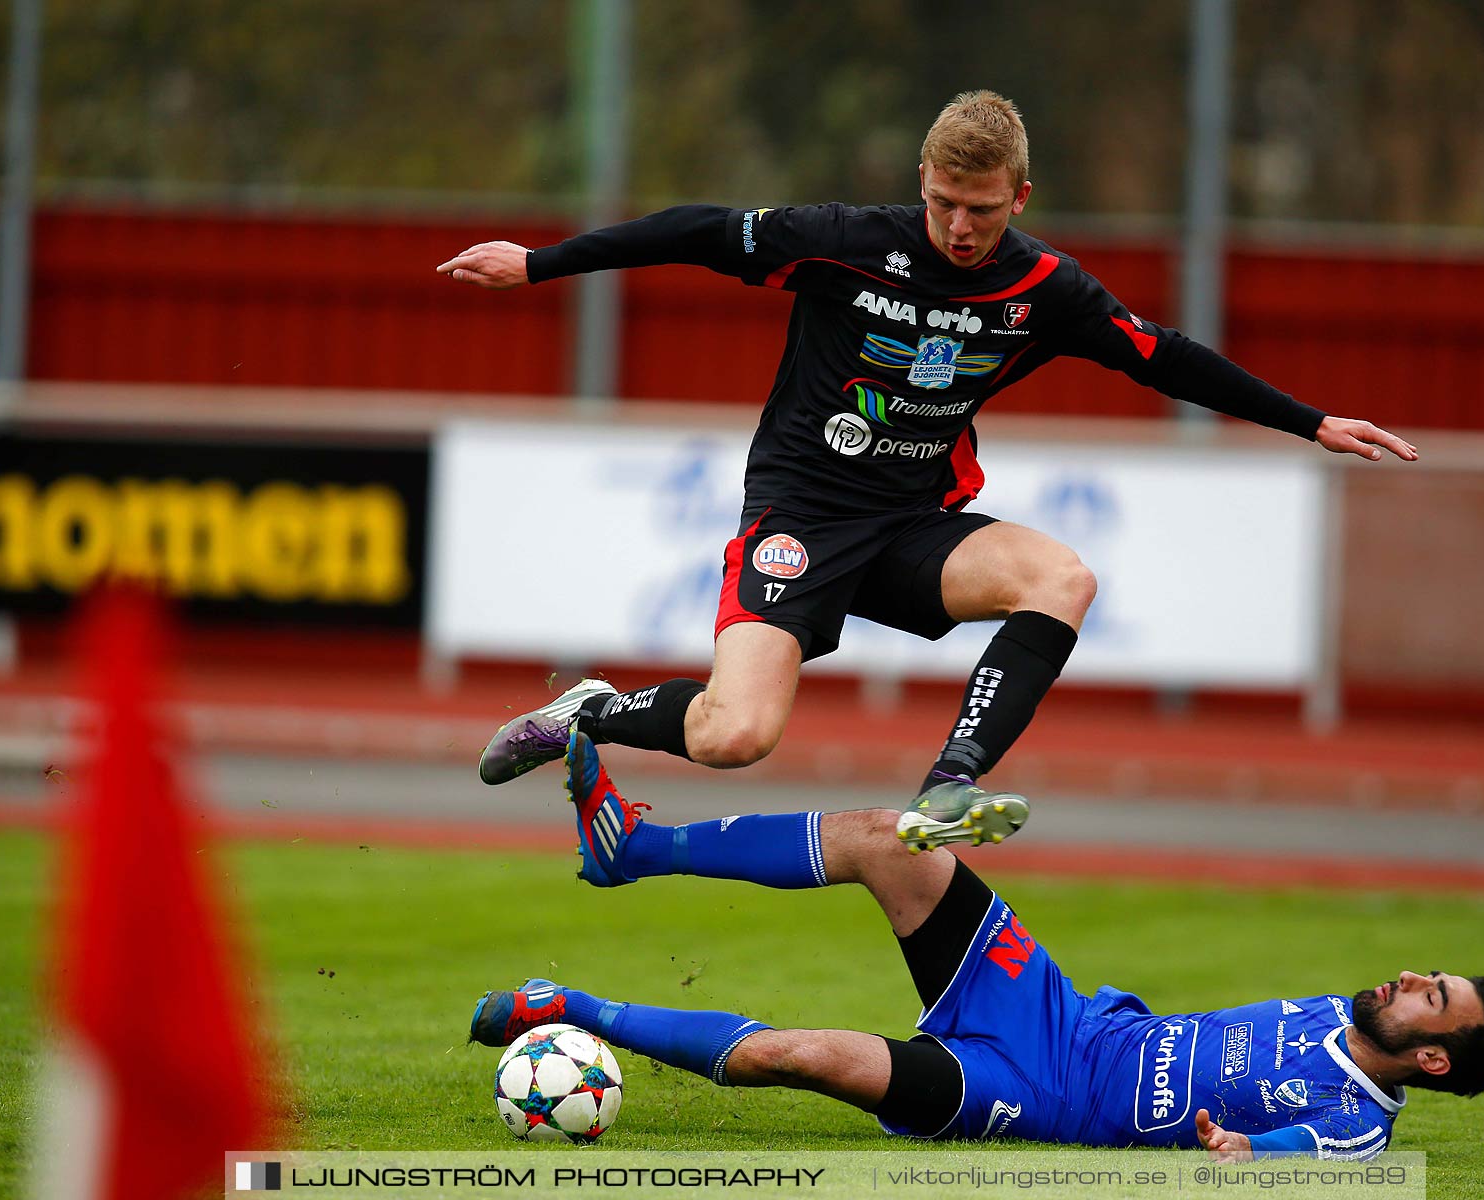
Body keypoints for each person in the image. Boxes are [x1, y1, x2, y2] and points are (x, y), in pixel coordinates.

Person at [440, 90, 1419, 845]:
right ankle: (592, 711)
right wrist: (541, 263)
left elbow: (1160, 355)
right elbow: (698, 230)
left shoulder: (1043, 288)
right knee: (733, 737)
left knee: (1062, 577)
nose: (961, 227)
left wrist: (1312, 421)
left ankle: (951, 782)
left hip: (915, 526)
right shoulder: (846, 244)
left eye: (983, 210)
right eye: (947, 203)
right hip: (802, 515)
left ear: (1020, 198)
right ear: (923, 180)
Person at [468, 734, 1484, 1159]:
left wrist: (1236, 1157)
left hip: (1034, 1094)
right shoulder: (1345, 1012)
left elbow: (1273, 1164)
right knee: (889, 836)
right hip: (1053, 1013)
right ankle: (633, 847)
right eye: (1431, 976)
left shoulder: (1352, 1130)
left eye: (1434, 998)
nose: (1414, 979)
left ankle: (564, 1009)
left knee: (804, 1057)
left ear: (1431, 1059)